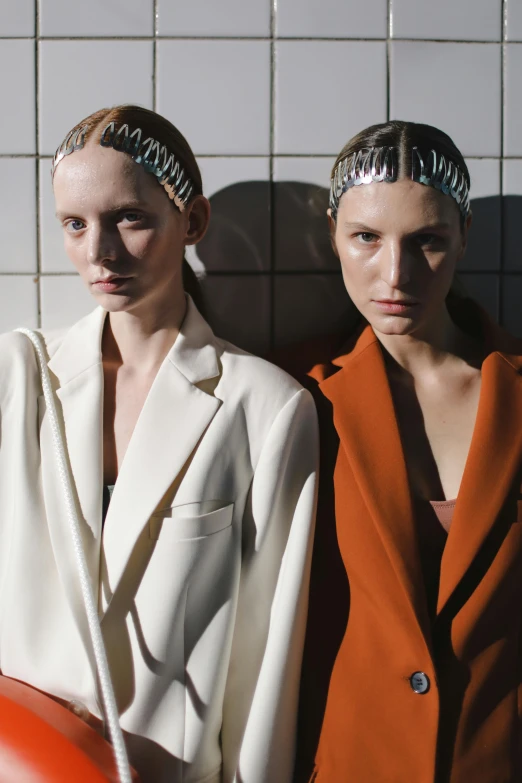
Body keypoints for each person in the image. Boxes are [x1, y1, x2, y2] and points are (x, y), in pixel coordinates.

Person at [0, 105, 318, 783]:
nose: (100, 253)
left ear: (192, 222)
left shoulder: (267, 406)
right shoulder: (18, 377)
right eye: (75, 224)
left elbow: (267, 659)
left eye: (130, 218)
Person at [288, 120, 522, 783]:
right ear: (333, 232)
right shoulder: (300, 399)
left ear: (464, 236)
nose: (395, 273)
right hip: (350, 760)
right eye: (366, 237)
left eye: (427, 241)